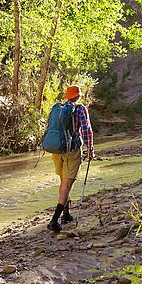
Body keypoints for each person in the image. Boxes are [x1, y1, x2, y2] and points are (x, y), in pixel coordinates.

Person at [47, 85, 94, 233]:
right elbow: (86, 130)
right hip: (71, 151)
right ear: (78, 96)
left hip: (57, 150)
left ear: (68, 96)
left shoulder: (58, 108)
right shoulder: (80, 109)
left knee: (63, 182)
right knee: (67, 184)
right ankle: (54, 221)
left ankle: (66, 215)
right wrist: (90, 148)